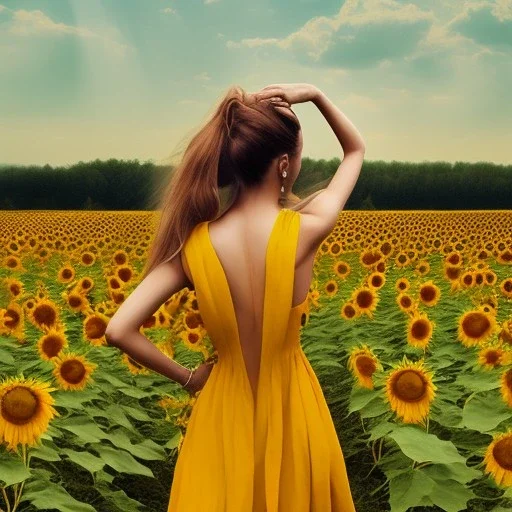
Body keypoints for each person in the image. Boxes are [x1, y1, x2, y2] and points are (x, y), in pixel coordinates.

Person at [105, 83, 365, 511]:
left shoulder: (192, 247)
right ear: (284, 164)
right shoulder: (307, 230)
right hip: (291, 403)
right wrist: (315, 96)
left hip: (221, 408)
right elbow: (354, 150)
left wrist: (190, 379)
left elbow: (118, 329)